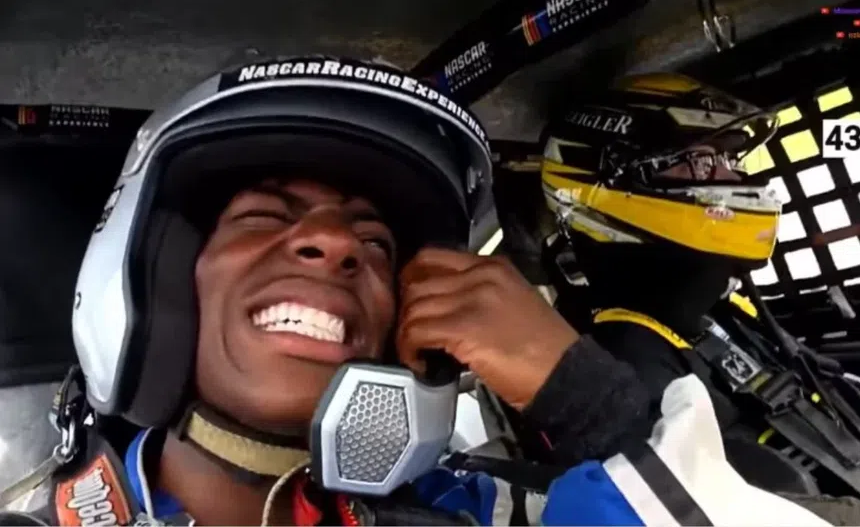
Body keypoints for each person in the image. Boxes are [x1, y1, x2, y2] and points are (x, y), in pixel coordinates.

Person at [0, 58, 830, 526]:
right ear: (157, 282)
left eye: (375, 244)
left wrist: (587, 401)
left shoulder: (487, 513)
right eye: (264, 216)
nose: (335, 246)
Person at [486, 71, 860, 518]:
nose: (732, 176)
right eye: (702, 162)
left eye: (728, 160)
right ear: (619, 182)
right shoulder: (627, 370)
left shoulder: (713, 315)